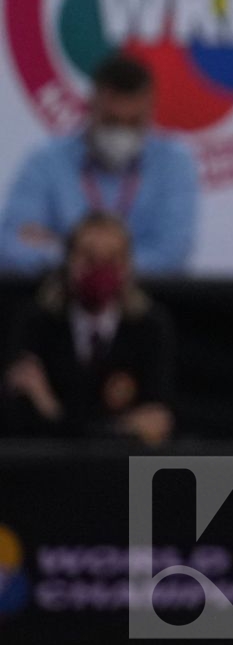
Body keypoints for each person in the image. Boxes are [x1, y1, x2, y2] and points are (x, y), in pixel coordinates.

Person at [0, 53, 199, 275]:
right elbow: (12, 246)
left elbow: (171, 254)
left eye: (133, 123)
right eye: (111, 121)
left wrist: (74, 257)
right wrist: (98, 266)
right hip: (58, 301)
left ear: (150, 113)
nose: (122, 132)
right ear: (91, 107)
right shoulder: (45, 161)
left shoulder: (173, 163)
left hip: (145, 301)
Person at [2, 212, 175, 445]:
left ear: (128, 267)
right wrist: (118, 428)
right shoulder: (37, 323)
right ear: (69, 261)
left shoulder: (149, 328)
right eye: (89, 258)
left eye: (112, 259)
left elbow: (155, 421)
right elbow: (23, 419)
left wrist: (52, 409)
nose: (100, 270)